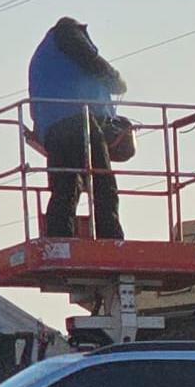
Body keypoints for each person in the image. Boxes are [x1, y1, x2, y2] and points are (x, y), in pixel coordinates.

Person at [29, 17, 128, 239]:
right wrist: (114, 78)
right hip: (78, 120)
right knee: (103, 182)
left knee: (65, 187)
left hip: (52, 128)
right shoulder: (67, 32)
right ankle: (111, 239)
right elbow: (92, 61)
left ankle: (59, 237)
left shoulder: (49, 51)